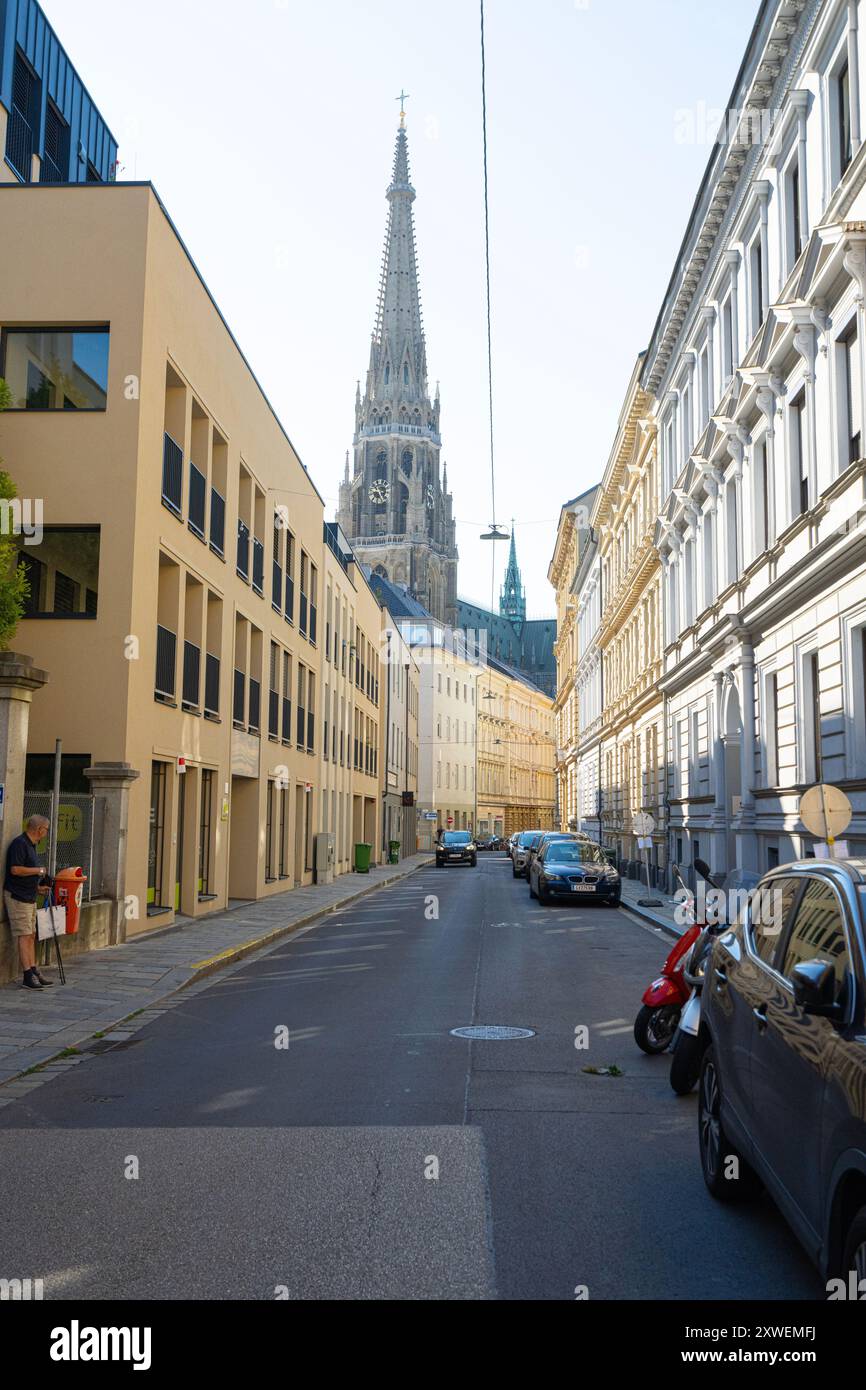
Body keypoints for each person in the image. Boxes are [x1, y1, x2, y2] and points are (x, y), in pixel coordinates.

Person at [4, 816, 53, 990]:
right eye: (46, 829)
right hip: (18, 897)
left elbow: (26, 873)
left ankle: (33, 970)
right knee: (24, 935)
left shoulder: (31, 846)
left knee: (31, 934)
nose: (47, 833)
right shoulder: (20, 844)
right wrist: (39, 870)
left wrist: (38, 889)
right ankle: (27, 975)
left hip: (29, 896)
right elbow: (15, 869)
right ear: (39, 829)